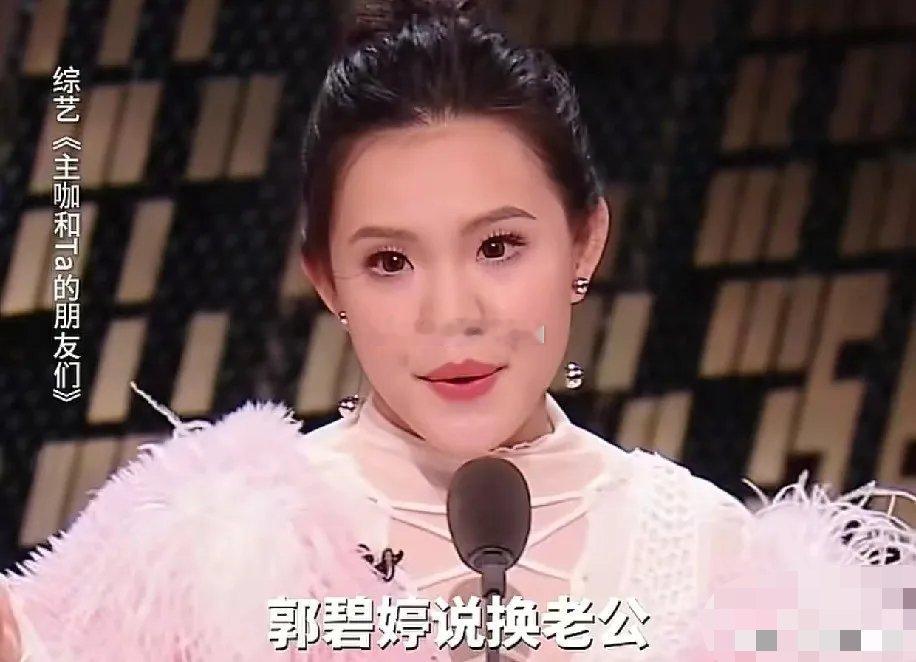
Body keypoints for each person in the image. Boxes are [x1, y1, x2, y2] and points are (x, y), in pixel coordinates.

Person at [2, 1, 914, 660]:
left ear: (585, 240)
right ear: (327, 279)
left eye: (498, 247)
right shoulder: (208, 547)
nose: (452, 314)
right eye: (390, 261)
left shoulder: (708, 558)